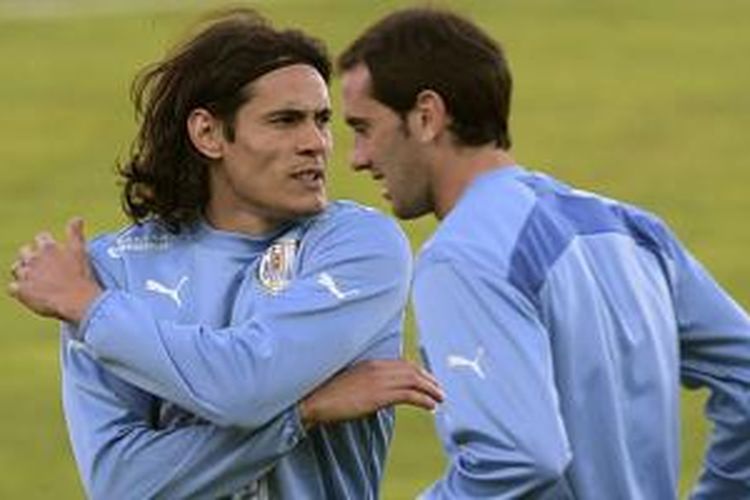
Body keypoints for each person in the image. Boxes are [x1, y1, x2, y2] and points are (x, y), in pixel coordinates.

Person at [8, 8, 442, 500]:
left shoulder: (358, 246)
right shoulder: (115, 267)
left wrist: (93, 311)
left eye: (321, 120)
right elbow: (123, 484)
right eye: (285, 121)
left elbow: (246, 387)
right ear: (209, 134)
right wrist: (306, 410)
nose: (315, 143)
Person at [338, 7, 750, 499]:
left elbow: (515, 457)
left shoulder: (463, 257)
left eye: (364, 128)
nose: (357, 157)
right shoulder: (631, 230)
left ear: (427, 116)